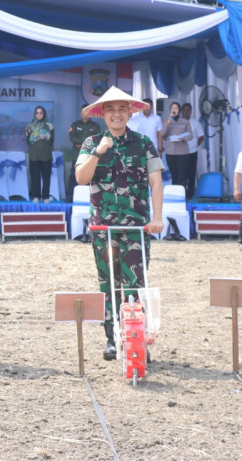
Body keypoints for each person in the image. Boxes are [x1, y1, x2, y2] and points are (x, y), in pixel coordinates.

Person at [75, 86, 164, 361]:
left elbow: (156, 182)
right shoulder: (91, 142)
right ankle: (112, 338)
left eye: (121, 109)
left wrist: (157, 217)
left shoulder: (143, 142)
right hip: (103, 227)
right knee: (108, 284)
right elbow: (80, 178)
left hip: (136, 227)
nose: (116, 114)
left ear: (129, 112)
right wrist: (98, 153)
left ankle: (136, 337)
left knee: (135, 283)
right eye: (110, 109)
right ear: (102, 114)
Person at [66, 104, 103, 202]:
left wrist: (83, 144)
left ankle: (91, 199)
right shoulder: (75, 125)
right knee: (74, 175)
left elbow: (97, 139)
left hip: (91, 156)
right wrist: (83, 143)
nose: (85, 114)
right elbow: (72, 137)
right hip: (77, 155)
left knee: (91, 176)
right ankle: (70, 197)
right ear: (80, 113)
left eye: (87, 111)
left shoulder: (95, 126)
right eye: (83, 112)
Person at [25, 106, 54, 203]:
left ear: (44, 114)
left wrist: (44, 139)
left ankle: (45, 197)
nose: (39, 114)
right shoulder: (29, 126)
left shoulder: (49, 125)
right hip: (34, 155)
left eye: (41, 112)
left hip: (46, 155)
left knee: (46, 177)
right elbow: (28, 140)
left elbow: (52, 141)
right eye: (37, 113)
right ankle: (36, 196)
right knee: (35, 177)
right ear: (34, 114)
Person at [162, 101, 192, 194]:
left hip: (182, 152)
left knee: (182, 175)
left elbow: (191, 136)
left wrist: (183, 138)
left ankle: (182, 195)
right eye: (172, 108)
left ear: (179, 110)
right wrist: (168, 122)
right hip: (170, 151)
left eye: (176, 108)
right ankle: (174, 195)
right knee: (174, 174)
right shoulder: (166, 122)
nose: (174, 110)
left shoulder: (185, 122)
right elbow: (162, 133)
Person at [181, 103, 204, 200]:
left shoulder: (195, 123)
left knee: (191, 173)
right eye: (185, 110)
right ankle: (182, 193)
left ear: (191, 111)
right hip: (180, 152)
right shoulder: (178, 122)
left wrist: (195, 145)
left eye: (188, 110)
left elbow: (201, 136)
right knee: (182, 174)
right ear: (182, 111)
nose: (187, 111)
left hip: (192, 152)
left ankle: (190, 194)